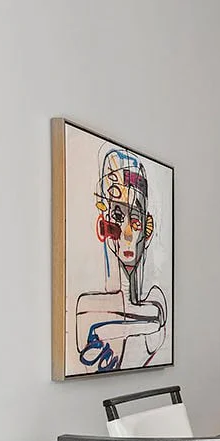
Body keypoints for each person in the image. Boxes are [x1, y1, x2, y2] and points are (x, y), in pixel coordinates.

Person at [72, 147, 168, 372]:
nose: (127, 233)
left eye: (135, 220)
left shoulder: (156, 303)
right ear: (102, 226)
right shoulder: (87, 308)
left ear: (148, 229)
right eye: (117, 216)